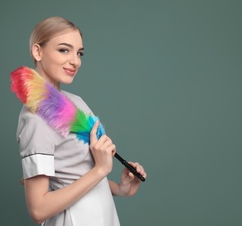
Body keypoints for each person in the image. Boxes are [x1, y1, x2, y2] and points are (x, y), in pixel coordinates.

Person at [15, 16, 147, 225]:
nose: (75, 61)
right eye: (64, 50)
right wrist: (101, 169)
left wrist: (120, 189)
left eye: (79, 53)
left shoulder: (76, 102)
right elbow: (38, 210)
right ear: (37, 51)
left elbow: (78, 175)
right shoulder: (35, 119)